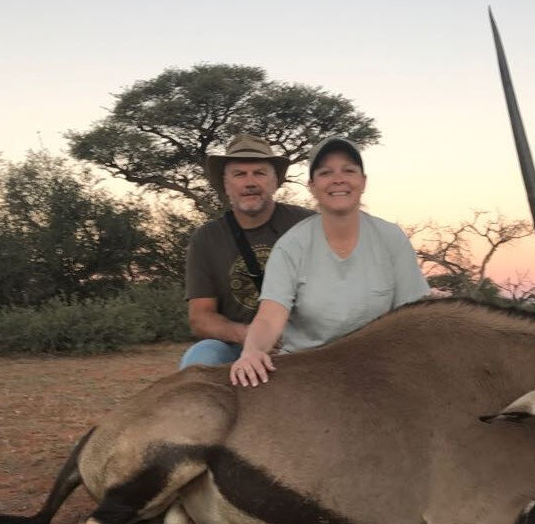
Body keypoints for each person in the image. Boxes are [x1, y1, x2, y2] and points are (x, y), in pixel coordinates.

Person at [230, 136, 429, 386]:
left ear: (363, 181)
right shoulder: (291, 246)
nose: (338, 179)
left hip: (378, 368)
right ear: (312, 185)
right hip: (307, 369)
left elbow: (414, 315)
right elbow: (270, 317)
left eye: (349, 170)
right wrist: (252, 352)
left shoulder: (391, 238)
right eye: (326, 173)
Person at [180, 134, 313, 369]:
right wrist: (250, 336)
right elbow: (200, 317)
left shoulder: (308, 225)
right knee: (202, 357)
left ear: (275, 182)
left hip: (305, 342)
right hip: (237, 345)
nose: (250, 182)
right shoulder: (206, 239)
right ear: (226, 184)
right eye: (239, 174)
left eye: (260, 173)